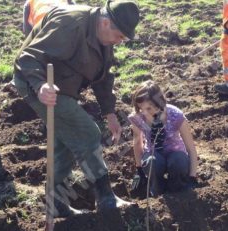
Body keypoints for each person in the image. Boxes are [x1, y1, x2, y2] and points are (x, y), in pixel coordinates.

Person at [14, 0, 140, 217]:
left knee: (65, 143)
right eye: (120, 36)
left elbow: (103, 77)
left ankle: (56, 204)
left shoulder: (104, 37)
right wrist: (40, 85)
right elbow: (28, 57)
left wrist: (109, 112)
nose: (120, 42)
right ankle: (106, 198)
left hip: (64, 85)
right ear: (105, 22)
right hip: (40, 83)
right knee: (88, 133)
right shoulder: (71, 24)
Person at [128, 81, 198, 196]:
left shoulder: (175, 115)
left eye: (149, 108)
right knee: (152, 162)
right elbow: (137, 143)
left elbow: (190, 148)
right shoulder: (138, 118)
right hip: (153, 154)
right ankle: (157, 191)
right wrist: (139, 170)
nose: (144, 112)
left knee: (179, 161)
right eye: (141, 108)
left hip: (176, 154)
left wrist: (192, 177)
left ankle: (177, 190)